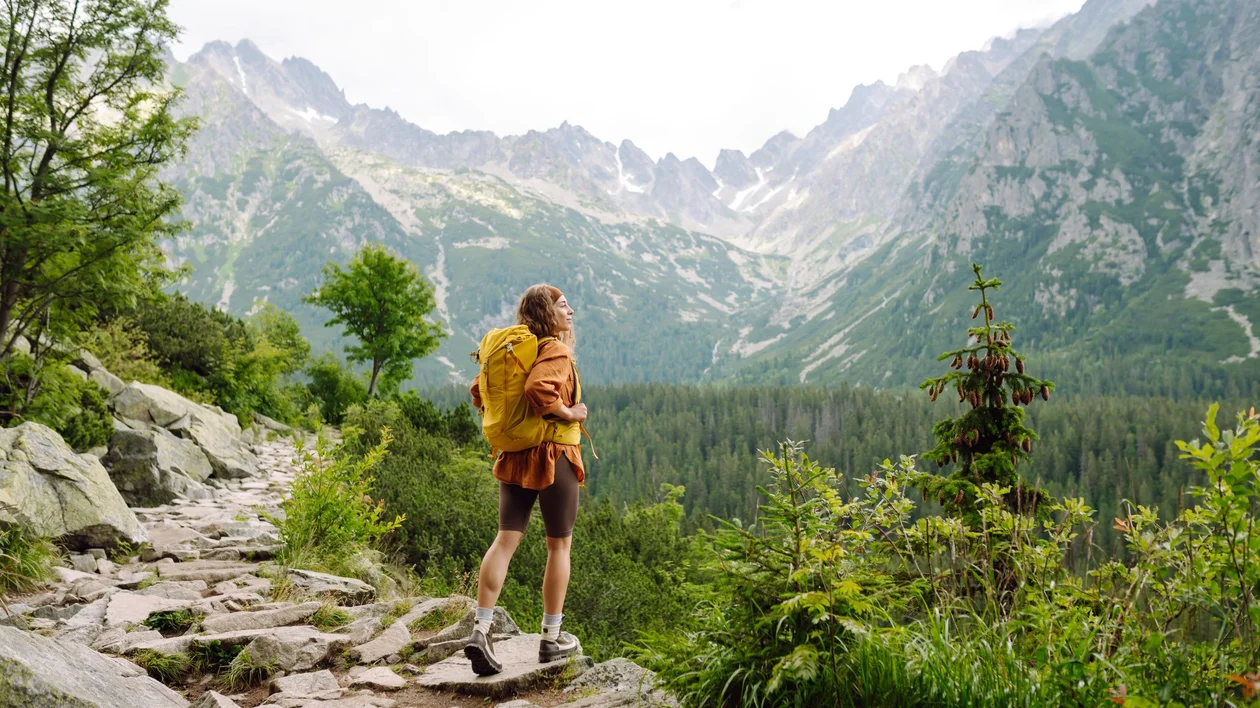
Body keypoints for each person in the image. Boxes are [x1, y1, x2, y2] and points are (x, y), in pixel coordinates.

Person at [465, 284, 587, 676]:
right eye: (564, 306)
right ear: (548, 313)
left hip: (515, 456)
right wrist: (569, 413)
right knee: (559, 547)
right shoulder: (554, 349)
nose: (571, 312)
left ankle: (481, 629)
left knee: (505, 540)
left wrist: (515, 421)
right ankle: (551, 639)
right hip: (555, 456)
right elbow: (538, 388)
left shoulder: (512, 350)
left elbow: (478, 392)